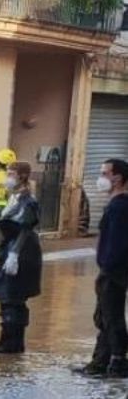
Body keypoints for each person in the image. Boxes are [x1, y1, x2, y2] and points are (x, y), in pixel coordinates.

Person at [0, 160, 41, 355]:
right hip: (11, 249)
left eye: (10, 173)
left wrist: (14, 254)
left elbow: (26, 228)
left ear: (22, 176)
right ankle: (6, 342)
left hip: (22, 253)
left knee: (13, 297)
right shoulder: (14, 197)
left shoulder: (28, 201)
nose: (7, 177)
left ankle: (12, 344)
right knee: (6, 297)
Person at [78, 158, 128, 377]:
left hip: (114, 271)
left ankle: (117, 361)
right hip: (111, 269)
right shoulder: (116, 205)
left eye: (105, 173)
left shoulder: (120, 206)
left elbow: (117, 242)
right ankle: (100, 362)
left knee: (111, 315)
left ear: (118, 177)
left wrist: (107, 266)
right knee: (104, 316)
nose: (101, 178)